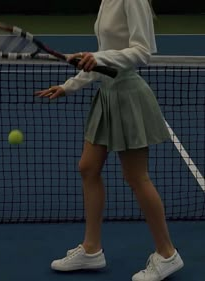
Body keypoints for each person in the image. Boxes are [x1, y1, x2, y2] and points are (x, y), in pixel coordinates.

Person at [35, 0, 184, 280]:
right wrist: (69, 86)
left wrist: (99, 58)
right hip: (107, 95)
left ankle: (167, 254)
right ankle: (92, 250)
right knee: (88, 167)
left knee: (136, 177)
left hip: (128, 97)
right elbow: (100, 58)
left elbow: (142, 52)